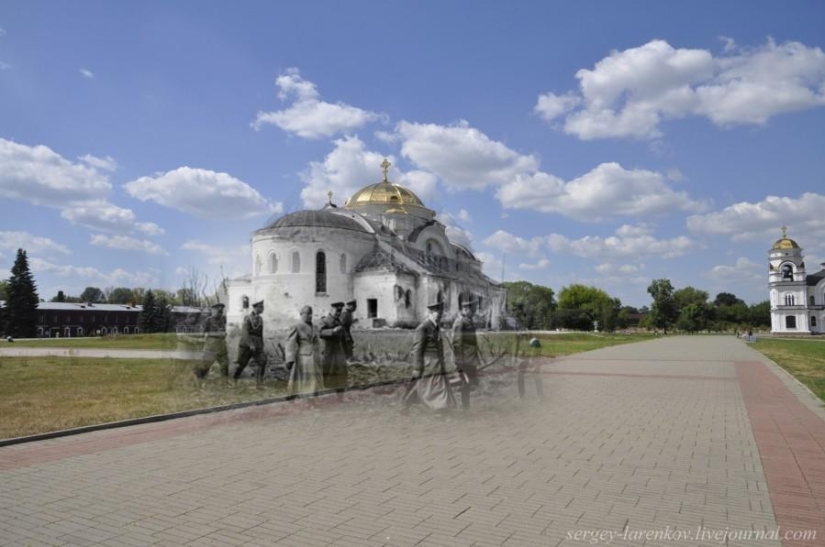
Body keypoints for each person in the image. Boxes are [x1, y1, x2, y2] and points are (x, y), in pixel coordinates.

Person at [402, 298, 456, 412]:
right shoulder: (423, 328)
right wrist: (417, 368)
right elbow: (416, 349)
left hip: (437, 364)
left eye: (441, 313)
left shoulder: (436, 328)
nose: (440, 315)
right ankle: (440, 407)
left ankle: (441, 407)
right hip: (428, 363)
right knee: (430, 386)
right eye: (438, 313)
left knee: (433, 386)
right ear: (430, 313)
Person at [284, 305, 324, 397]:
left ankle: (315, 395)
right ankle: (305, 397)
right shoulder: (296, 326)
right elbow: (290, 342)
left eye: (311, 314)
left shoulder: (315, 327)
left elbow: (317, 341)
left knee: (316, 378)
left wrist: (321, 352)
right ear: (301, 314)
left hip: (315, 357)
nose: (310, 316)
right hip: (303, 357)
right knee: (306, 378)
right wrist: (289, 359)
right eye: (307, 314)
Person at [452, 299, 481, 410]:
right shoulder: (460, 322)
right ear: (466, 309)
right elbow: (457, 342)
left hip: (470, 358)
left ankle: (466, 407)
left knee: (469, 383)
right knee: (465, 382)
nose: (474, 312)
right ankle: (465, 409)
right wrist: (459, 361)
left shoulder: (468, 320)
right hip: (464, 359)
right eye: (472, 309)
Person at [318, 301, 348, 396]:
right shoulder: (324, 321)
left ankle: (340, 396)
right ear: (331, 310)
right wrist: (332, 331)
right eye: (336, 311)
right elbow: (320, 333)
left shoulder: (340, 321)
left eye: (340, 311)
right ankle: (328, 395)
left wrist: (346, 350)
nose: (338, 313)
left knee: (341, 372)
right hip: (329, 351)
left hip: (339, 351)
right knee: (328, 372)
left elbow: (343, 337)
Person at [234, 300, 267, 383]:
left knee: (263, 361)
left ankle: (259, 384)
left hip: (258, 345)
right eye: (261, 307)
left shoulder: (260, 319)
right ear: (255, 308)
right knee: (242, 364)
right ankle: (234, 380)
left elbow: (260, 334)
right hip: (246, 344)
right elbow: (245, 332)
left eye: (262, 307)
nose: (262, 309)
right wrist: (250, 344)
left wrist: (262, 345)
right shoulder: (247, 318)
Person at [201, 302, 228, 377]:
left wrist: (224, 334)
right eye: (218, 311)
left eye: (221, 311)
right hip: (211, 347)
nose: (220, 313)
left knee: (225, 365)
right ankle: (199, 380)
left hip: (222, 347)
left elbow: (223, 330)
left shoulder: (222, 320)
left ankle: (225, 382)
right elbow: (202, 333)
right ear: (213, 310)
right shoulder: (208, 320)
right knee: (206, 366)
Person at [517, 335, 545, 399]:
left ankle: (540, 396)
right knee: (519, 375)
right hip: (526, 360)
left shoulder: (535, 342)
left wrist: (535, 366)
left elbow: (536, 355)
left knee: (536, 376)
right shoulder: (522, 341)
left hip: (533, 361)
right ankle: (521, 395)